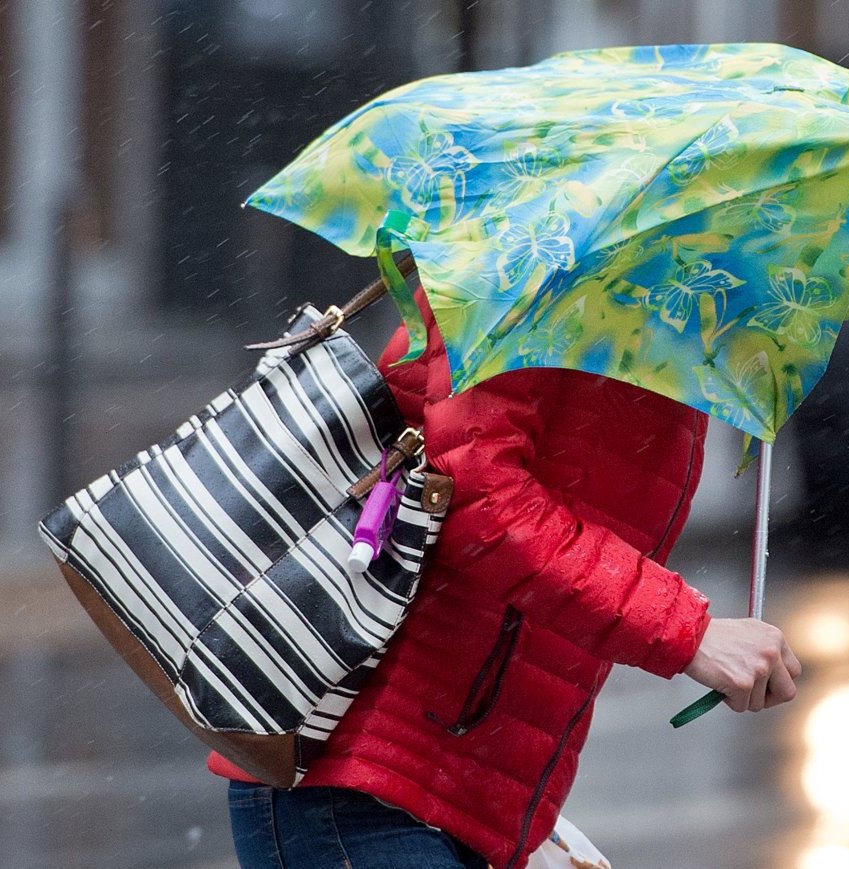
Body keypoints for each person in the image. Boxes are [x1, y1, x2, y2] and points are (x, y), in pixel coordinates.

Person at [213, 287, 803, 869]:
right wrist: (688, 632)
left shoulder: (660, 306)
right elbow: (473, 491)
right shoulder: (534, 262)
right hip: (362, 780)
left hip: (456, 792)